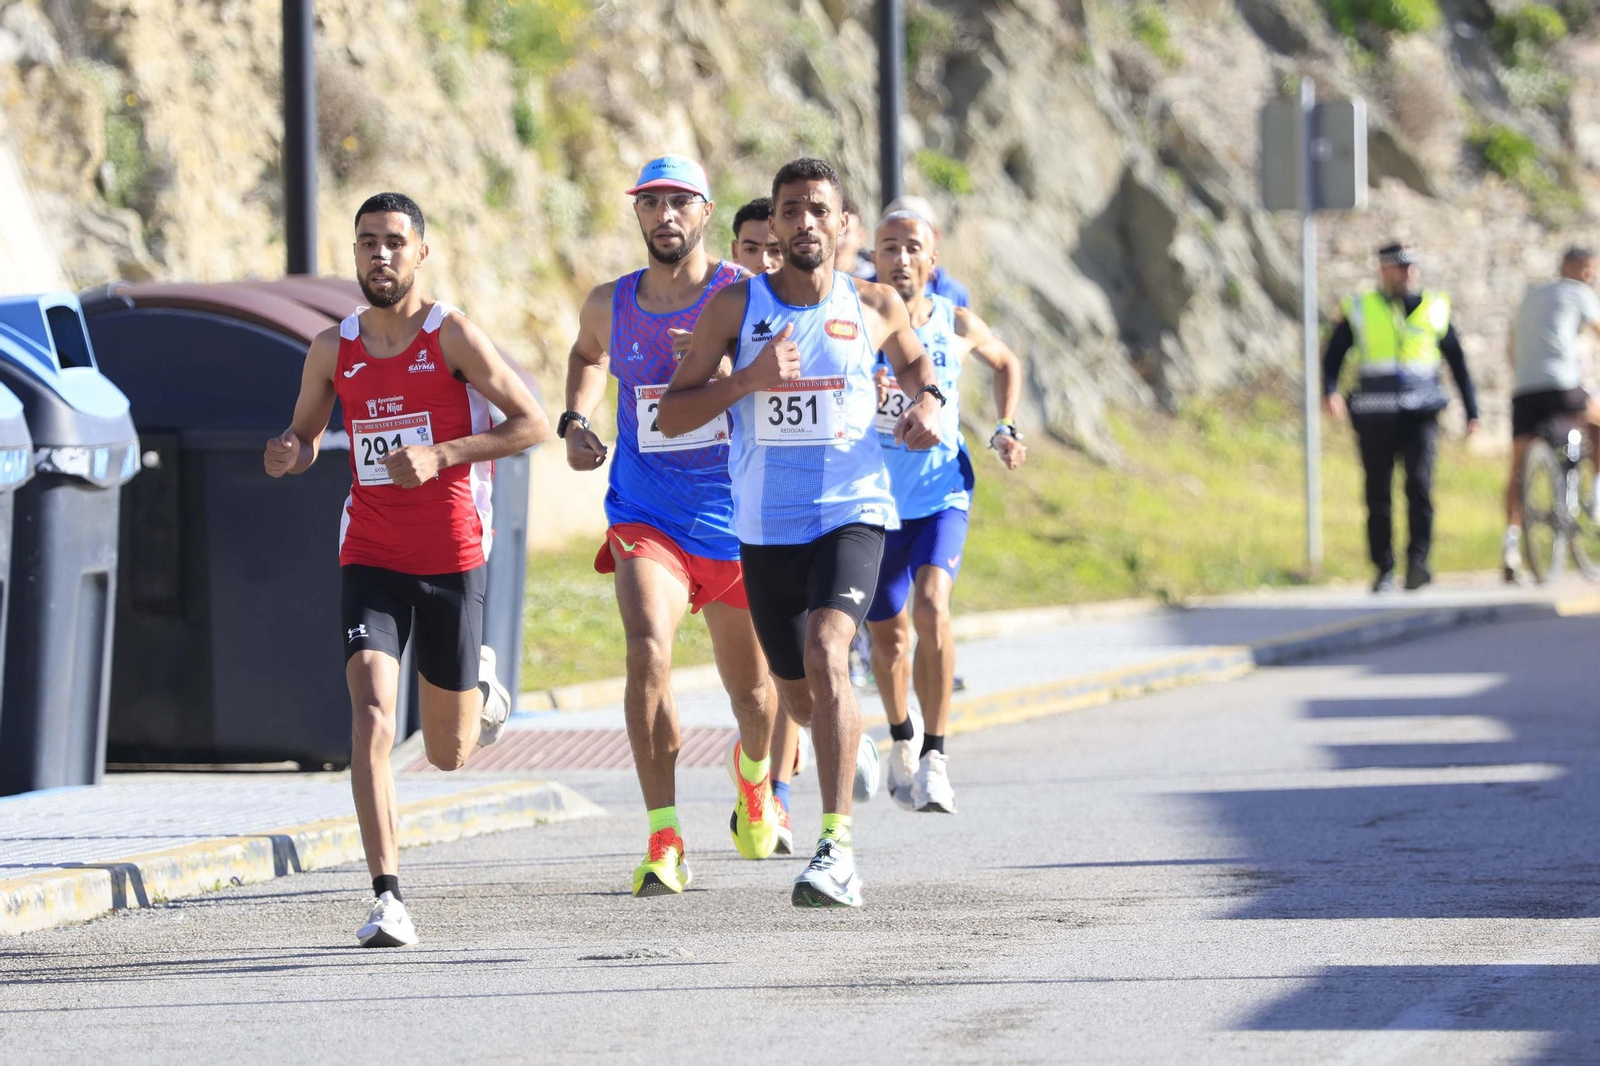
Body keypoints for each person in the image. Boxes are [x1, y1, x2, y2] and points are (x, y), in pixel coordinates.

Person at [657, 157, 942, 908]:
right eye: (790, 210)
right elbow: (672, 414)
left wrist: (928, 407)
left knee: (827, 650)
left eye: (819, 209)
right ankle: (852, 738)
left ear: (843, 226)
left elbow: (916, 368)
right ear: (773, 225)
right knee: (803, 695)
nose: (805, 223)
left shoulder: (874, 302)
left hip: (853, 511)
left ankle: (836, 850)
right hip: (764, 527)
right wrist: (746, 379)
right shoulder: (734, 309)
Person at [263, 192, 546, 946]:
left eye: (393, 242)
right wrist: (287, 451)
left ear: (422, 251)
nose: (379, 256)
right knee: (372, 718)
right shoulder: (333, 348)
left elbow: (533, 423)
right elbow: (302, 431)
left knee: (449, 754)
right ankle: (387, 896)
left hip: (453, 556)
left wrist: (443, 454)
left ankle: (479, 687)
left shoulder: (451, 335)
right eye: (366, 243)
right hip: (372, 554)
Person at [560, 155, 782, 897]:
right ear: (637, 215)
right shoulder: (609, 303)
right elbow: (587, 355)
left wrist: (724, 375)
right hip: (645, 510)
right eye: (651, 203)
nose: (665, 216)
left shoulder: (747, 298)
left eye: (679, 202)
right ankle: (664, 835)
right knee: (646, 648)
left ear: (706, 212)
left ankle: (755, 775)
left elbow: (787, 379)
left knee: (753, 697)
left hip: (737, 517)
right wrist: (575, 419)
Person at [866, 209, 1026, 814]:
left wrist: (1005, 427)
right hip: (875, 501)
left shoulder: (956, 321)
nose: (901, 258)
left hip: (941, 493)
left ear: (932, 262)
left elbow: (1007, 361)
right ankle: (902, 737)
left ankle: (935, 755)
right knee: (890, 638)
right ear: (873, 260)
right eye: (889, 248)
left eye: (912, 248)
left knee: (933, 608)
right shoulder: (856, 320)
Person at [1322, 242, 1479, 592]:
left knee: (1419, 487)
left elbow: (1458, 362)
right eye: (1399, 268)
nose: (1407, 274)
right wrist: (1330, 390)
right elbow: (1334, 355)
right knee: (1378, 492)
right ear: (1383, 270)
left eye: (1411, 267)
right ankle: (1384, 568)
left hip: (1421, 414)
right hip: (1375, 415)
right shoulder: (1361, 307)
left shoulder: (1434, 307)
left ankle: (1418, 563)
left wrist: (1473, 410)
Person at [1504, 247, 1600, 578]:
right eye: (1588, 269)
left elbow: (1510, 345)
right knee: (1597, 422)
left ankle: (1511, 546)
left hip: (1524, 390)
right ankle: (1597, 497)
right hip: (1562, 385)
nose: (1591, 276)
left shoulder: (1530, 296)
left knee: (1518, 467)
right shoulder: (1578, 293)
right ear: (1570, 268)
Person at [730, 197, 783, 276]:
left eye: (777, 251)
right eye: (751, 250)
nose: (764, 263)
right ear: (735, 251)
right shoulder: (719, 288)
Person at [835, 193, 877, 279]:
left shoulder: (878, 283)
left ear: (861, 237)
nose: (837, 241)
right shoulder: (805, 283)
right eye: (833, 232)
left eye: (845, 232)